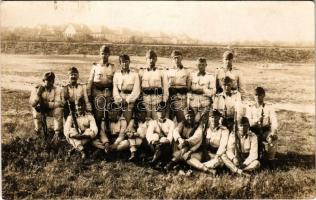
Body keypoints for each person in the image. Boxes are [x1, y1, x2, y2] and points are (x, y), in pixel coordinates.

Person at [165, 108, 215, 174]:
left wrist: (186, 142)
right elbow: (175, 131)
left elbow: (197, 138)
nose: (190, 118)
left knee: (185, 156)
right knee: (183, 152)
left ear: (194, 116)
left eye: (191, 116)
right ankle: (181, 167)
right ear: (185, 116)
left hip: (195, 151)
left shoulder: (198, 125)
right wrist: (180, 139)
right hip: (184, 150)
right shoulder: (182, 123)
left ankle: (172, 163)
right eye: (187, 116)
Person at [246, 87, 278, 164]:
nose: (257, 97)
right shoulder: (250, 107)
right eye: (256, 95)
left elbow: (274, 121)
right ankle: (252, 157)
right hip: (254, 131)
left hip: (265, 131)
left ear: (264, 95)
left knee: (273, 138)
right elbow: (248, 122)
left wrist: (273, 132)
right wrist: (256, 122)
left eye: (260, 95)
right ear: (254, 96)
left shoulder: (269, 107)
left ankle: (271, 160)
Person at [87, 45, 115, 132]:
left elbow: (114, 81)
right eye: (102, 53)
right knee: (98, 113)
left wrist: (114, 94)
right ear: (100, 54)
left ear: (109, 54)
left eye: (106, 54)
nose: (104, 56)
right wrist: (89, 93)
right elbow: (90, 80)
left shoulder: (112, 66)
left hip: (108, 92)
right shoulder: (95, 66)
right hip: (97, 91)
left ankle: (108, 131)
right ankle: (97, 132)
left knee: (108, 112)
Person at [29, 72, 63, 142]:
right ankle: (38, 131)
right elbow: (32, 103)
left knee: (59, 110)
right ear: (43, 81)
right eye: (49, 81)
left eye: (52, 80)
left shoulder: (57, 89)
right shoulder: (36, 89)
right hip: (40, 110)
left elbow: (59, 103)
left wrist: (47, 104)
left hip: (50, 110)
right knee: (36, 112)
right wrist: (38, 95)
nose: (51, 83)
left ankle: (57, 133)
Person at [139, 50, 169, 120]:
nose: (151, 60)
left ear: (156, 59)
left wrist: (163, 101)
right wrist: (140, 101)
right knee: (146, 122)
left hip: (157, 102)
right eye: (149, 58)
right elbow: (139, 88)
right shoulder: (141, 72)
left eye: (153, 58)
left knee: (157, 122)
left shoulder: (161, 72)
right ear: (146, 59)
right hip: (145, 101)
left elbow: (166, 88)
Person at [113, 54, 140, 124]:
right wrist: (120, 100)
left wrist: (127, 101)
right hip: (119, 98)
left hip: (130, 99)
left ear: (129, 62)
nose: (124, 64)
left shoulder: (135, 74)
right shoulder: (116, 75)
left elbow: (136, 90)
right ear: (120, 63)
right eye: (123, 62)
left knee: (127, 119)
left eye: (126, 61)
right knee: (115, 118)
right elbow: (115, 89)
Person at [146, 101, 174, 168]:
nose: (161, 113)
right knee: (155, 141)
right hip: (155, 144)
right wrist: (152, 141)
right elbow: (148, 134)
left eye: (162, 110)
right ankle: (158, 161)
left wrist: (165, 141)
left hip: (166, 144)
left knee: (163, 144)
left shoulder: (171, 123)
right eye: (159, 111)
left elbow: (170, 136)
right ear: (156, 112)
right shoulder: (153, 122)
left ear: (165, 112)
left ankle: (154, 161)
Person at [188, 57, 215, 123]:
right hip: (193, 103)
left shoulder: (210, 77)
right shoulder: (192, 75)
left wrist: (203, 90)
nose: (201, 67)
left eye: (203, 65)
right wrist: (189, 100)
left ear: (206, 65)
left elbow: (213, 91)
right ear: (196, 65)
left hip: (204, 103)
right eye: (199, 65)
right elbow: (188, 89)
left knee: (204, 122)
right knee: (193, 121)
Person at [166, 50, 190, 123]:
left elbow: (189, 87)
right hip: (170, 98)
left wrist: (181, 90)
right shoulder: (168, 71)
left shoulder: (186, 71)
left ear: (182, 58)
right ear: (172, 59)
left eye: (178, 58)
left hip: (181, 98)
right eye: (174, 58)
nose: (176, 60)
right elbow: (165, 85)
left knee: (181, 120)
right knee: (169, 120)